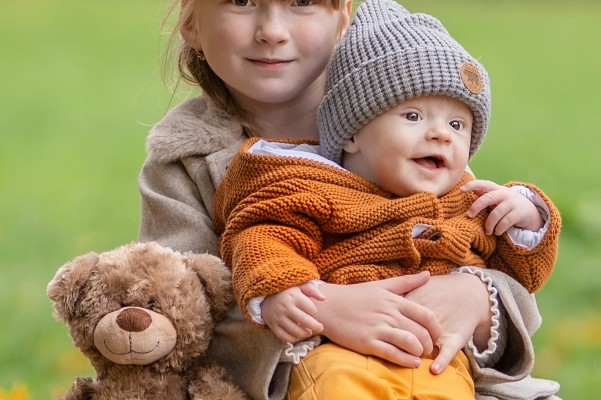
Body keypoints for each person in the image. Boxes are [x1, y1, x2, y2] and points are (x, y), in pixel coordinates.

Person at [137, 0, 562, 398]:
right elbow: (179, 313)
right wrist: (324, 311)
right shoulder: (184, 162)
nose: (271, 30)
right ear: (192, 21)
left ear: (342, 19)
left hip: (435, 373)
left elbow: (498, 260)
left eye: (303, 1)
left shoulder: (405, 127)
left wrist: (475, 295)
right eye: (242, 0)